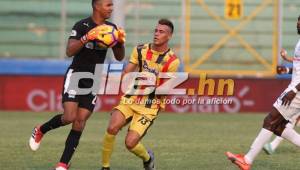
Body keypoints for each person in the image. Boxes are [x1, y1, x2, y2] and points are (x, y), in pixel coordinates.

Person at [28, 0, 125, 169]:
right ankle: (41, 129)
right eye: (108, 5)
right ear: (96, 6)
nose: (111, 8)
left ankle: (63, 164)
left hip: (94, 78)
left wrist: (120, 42)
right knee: (69, 117)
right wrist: (87, 37)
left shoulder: (112, 28)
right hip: (76, 75)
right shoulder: (82, 25)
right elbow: (69, 51)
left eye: (112, 5)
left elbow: (119, 57)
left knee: (80, 122)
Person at [100, 19, 180, 170]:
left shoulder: (172, 61)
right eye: (156, 30)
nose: (156, 34)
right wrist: (110, 79)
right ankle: (105, 167)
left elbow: (165, 90)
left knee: (130, 143)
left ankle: (148, 158)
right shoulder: (140, 50)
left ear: (169, 36)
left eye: (161, 32)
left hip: (149, 107)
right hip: (130, 99)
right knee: (112, 128)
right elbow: (127, 72)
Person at [226, 15, 300, 170]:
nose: (298, 23)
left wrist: (294, 90)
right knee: (279, 127)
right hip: (295, 88)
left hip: (297, 91)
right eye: (298, 20)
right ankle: (247, 159)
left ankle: (247, 160)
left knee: (270, 120)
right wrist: (287, 65)